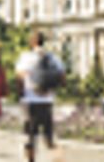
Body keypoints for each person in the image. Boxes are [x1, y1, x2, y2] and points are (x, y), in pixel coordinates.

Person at [15, 31, 64, 162]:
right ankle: (58, 158)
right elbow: (62, 78)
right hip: (47, 101)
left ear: (32, 43)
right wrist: (51, 89)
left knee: (30, 137)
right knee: (49, 137)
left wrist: (20, 95)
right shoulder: (54, 58)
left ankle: (31, 160)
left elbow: (19, 78)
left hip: (31, 101)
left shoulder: (26, 57)